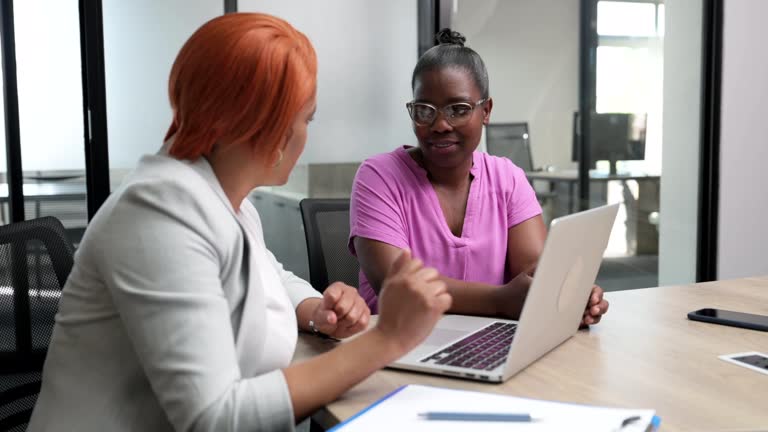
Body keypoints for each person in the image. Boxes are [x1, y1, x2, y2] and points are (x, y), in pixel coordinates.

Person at [28, 13, 451, 432]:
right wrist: (386, 340)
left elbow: (272, 276)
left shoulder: (223, 199)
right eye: (306, 119)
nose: (306, 134)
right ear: (265, 125)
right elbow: (215, 419)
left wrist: (315, 310)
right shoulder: (157, 212)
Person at [349, 28, 608, 325]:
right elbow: (397, 286)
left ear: (486, 110)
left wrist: (564, 294)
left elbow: (534, 273)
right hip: (393, 348)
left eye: (458, 109)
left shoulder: (507, 178)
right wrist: (500, 301)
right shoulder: (379, 177)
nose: (440, 124)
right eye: (424, 110)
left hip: (486, 345)